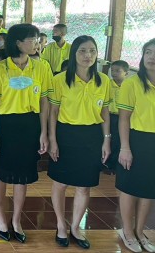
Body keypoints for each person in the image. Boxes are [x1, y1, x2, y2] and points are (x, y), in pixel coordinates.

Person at [0, 24, 52, 244]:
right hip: (5, 125)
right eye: (32, 39)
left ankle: (16, 220)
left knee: (22, 177)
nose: (37, 43)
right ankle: (1, 217)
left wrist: (44, 132)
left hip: (30, 125)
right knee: (1, 175)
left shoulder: (42, 68)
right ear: (18, 43)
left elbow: (44, 102)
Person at [48, 36, 111, 250]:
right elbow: (53, 112)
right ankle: (60, 225)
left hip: (92, 137)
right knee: (61, 184)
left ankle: (75, 227)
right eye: (83, 51)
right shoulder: (60, 80)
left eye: (92, 51)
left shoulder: (104, 80)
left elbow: (105, 113)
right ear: (74, 53)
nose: (88, 55)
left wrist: (106, 141)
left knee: (84, 187)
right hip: (66, 135)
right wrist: (52, 140)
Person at [116, 39, 155, 253]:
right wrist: (125, 147)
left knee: (150, 190)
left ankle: (140, 232)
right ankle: (127, 231)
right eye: (148, 52)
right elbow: (123, 119)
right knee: (129, 188)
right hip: (136, 140)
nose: (151, 57)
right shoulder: (132, 83)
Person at [105, 60, 129, 172]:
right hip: (109, 116)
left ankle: (114, 165)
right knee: (109, 139)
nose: (114, 73)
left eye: (117, 71)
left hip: (123, 118)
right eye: (112, 70)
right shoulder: (107, 84)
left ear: (126, 73)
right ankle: (105, 163)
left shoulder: (129, 86)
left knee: (119, 141)